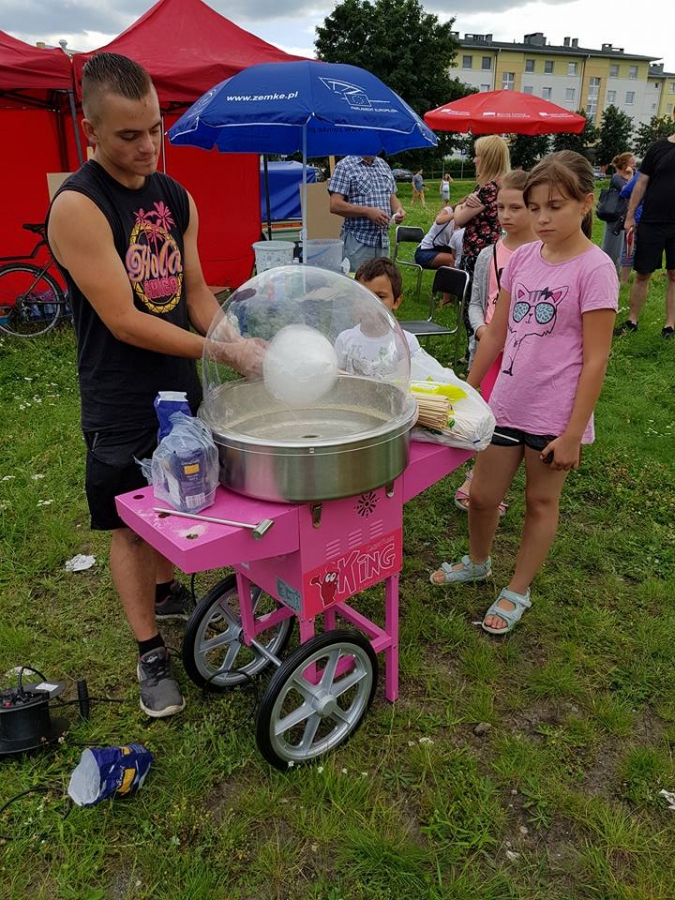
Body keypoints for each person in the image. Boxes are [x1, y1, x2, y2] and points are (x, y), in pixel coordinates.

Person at [46, 53, 264, 718]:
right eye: (128, 135)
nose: (147, 147)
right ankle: (149, 651)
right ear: (91, 131)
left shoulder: (174, 197)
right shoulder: (79, 206)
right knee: (132, 525)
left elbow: (194, 292)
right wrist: (220, 351)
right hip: (120, 394)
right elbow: (123, 319)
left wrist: (231, 337)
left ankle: (167, 596)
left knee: (185, 494)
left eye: (154, 129)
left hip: (180, 382)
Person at [430, 151, 618, 635]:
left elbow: (596, 359)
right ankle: (478, 562)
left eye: (555, 206)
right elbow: (495, 332)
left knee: (540, 502)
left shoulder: (596, 269)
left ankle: (518, 588)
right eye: (535, 207)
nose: (542, 218)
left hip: (555, 415)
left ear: (585, 204)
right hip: (507, 402)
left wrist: (573, 433)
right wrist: (468, 390)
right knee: (482, 495)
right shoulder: (522, 258)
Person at [453, 169, 538, 515]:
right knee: (490, 419)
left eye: (516, 208)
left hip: (527, 357)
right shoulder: (489, 254)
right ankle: (478, 479)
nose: (506, 216)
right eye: (501, 208)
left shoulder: (543, 254)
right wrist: (481, 331)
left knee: (519, 423)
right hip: (489, 352)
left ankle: (503, 481)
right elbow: (475, 302)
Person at [615, 133, 675, 339]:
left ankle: (669, 326)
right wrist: (630, 216)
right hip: (652, 221)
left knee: (674, 275)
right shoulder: (658, 148)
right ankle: (632, 321)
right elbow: (641, 183)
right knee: (642, 273)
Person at [334, 257, 420, 376]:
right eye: (363, 295)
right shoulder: (345, 340)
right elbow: (337, 378)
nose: (370, 303)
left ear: (396, 302)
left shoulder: (406, 343)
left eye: (380, 297)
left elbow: (413, 379)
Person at [328, 155, 405, 273]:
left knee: (380, 282)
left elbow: (392, 197)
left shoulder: (384, 165)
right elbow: (335, 205)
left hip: (382, 240)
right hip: (358, 241)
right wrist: (367, 212)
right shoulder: (345, 166)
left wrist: (398, 209)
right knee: (357, 282)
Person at [600, 152, 634, 270]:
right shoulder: (617, 178)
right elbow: (628, 191)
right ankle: (605, 268)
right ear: (625, 165)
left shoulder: (624, 178)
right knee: (611, 245)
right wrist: (631, 176)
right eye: (632, 163)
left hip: (623, 216)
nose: (634, 165)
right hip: (615, 216)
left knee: (621, 246)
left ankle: (616, 269)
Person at [618, 171, 643, 285]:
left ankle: (624, 280)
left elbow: (625, 191)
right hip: (654, 220)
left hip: (637, 216)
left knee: (629, 248)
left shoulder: (643, 173)